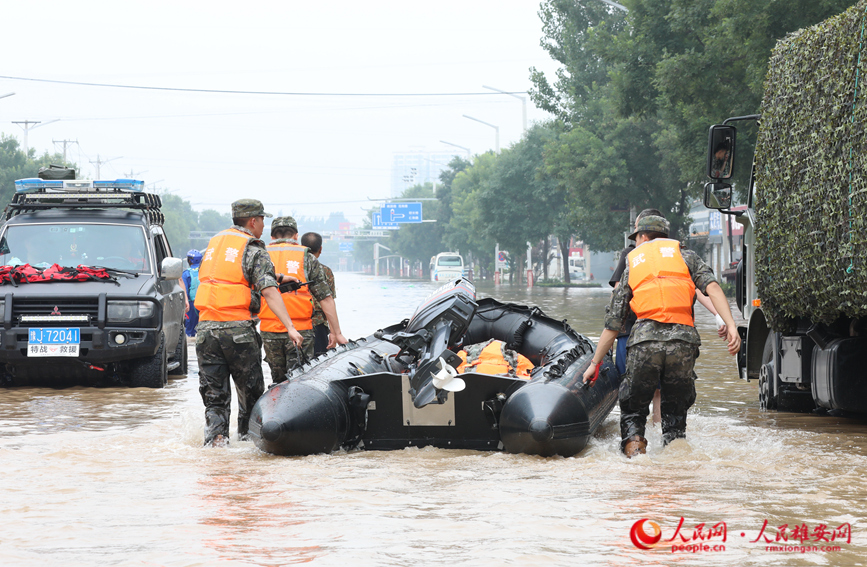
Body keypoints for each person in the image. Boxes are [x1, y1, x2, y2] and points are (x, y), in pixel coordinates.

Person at [583, 214, 740, 457]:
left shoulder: (633, 262)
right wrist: (731, 325)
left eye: (637, 238)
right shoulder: (684, 255)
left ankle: (636, 458)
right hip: (683, 343)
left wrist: (594, 364)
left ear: (643, 236)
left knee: (634, 410)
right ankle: (675, 460)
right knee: (675, 414)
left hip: (645, 342)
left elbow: (613, 323)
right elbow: (712, 288)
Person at [194, 200, 303, 448]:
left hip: (206, 333)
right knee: (251, 396)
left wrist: (281, 278)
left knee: (214, 398)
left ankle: (216, 447)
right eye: (262, 220)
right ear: (253, 221)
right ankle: (249, 446)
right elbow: (269, 291)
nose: (264, 226)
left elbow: (229, 278)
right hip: (238, 333)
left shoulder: (215, 246)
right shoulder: (253, 248)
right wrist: (290, 327)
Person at [610, 209, 728, 425]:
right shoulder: (678, 255)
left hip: (638, 334)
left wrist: (719, 315)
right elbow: (702, 288)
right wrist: (723, 318)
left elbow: (617, 298)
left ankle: (642, 438)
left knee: (638, 397)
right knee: (662, 395)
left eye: (637, 233)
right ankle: (663, 436)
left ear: (643, 235)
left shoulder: (634, 257)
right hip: (673, 335)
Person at [259, 217, 348, 384]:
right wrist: (337, 333)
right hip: (300, 331)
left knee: (277, 382)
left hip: (269, 331)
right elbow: (325, 298)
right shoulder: (306, 256)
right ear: (295, 236)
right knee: (299, 383)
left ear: (271, 236)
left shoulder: (260, 255)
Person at [300, 231, 336, 356]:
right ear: (320, 249)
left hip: (297, 323)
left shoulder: (293, 270)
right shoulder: (326, 271)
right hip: (319, 326)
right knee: (318, 364)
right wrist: (334, 332)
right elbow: (329, 301)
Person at [182, 249, 203, 338]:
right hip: (204, 304)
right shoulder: (204, 271)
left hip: (192, 304)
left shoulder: (186, 273)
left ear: (189, 260)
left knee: (190, 329)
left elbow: (184, 290)